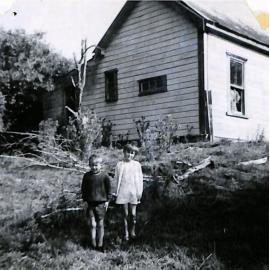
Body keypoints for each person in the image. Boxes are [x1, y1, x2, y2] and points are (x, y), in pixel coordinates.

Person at [81, 154, 112, 252]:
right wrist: (85, 201)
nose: (94, 167)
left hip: (101, 204)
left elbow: (109, 189)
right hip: (90, 204)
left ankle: (100, 244)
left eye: (96, 165)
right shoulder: (87, 176)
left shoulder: (104, 176)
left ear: (100, 165)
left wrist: (107, 201)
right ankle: (93, 243)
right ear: (89, 165)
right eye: (92, 165)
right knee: (93, 224)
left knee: (100, 224)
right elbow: (84, 189)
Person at [114, 144, 143, 241]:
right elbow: (116, 179)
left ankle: (132, 230)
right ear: (124, 152)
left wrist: (139, 192)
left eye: (132, 153)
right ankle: (126, 232)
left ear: (134, 154)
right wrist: (115, 192)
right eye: (128, 152)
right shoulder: (120, 164)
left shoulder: (137, 165)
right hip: (123, 191)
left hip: (133, 192)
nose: (129, 155)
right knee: (125, 214)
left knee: (133, 214)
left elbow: (140, 179)